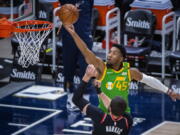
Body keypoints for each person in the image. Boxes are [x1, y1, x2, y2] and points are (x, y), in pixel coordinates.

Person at [64, 24, 180, 113]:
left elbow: (148, 80)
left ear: (122, 58)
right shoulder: (102, 68)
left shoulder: (129, 72)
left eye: (114, 53)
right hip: (104, 115)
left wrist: (168, 91)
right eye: (109, 52)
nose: (109, 55)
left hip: (123, 115)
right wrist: (74, 34)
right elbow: (85, 51)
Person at [73, 64, 133, 135]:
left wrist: (87, 76)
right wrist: (99, 92)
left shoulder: (100, 116)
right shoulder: (127, 120)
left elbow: (76, 99)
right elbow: (112, 107)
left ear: (110, 108)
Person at [58, 0, 94, 111]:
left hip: (84, 35)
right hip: (68, 35)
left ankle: (85, 98)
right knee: (69, 67)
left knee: (86, 67)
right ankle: (70, 97)